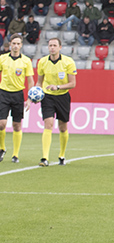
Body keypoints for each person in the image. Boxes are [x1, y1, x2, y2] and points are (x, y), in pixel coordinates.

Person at [36, 37, 77, 167]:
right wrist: (35, 95)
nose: (52, 48)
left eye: (54, 45)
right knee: (48, 124)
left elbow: (72, 83)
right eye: (50, 45)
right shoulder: (42, 62)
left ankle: (62, 155)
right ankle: (45, 157)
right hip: (47, 96)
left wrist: (58, 87)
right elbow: (39, 82)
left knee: (62, 127)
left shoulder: (68, 62)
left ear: (60, 47)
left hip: (62, 96)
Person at [0, 34, 34, 163]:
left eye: (18, 44)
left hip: (18, 95)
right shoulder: (2, 58)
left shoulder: (26, 61)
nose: (15, 46)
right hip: (3, 93)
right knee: (1, 124)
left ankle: (15, 154)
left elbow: (30, 81)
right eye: (13, 43)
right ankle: (2, 148)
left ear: (21, 45)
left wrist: (29, 98)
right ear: (10, 44)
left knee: (17, 125)